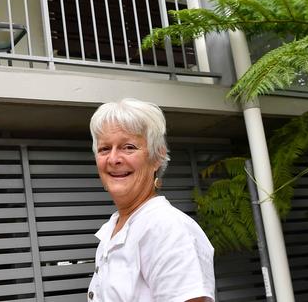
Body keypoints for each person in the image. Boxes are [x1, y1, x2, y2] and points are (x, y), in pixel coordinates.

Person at [87, 98, 215, 302]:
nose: (113, 159)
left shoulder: (166, 228)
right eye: (104, 149)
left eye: (128, 147)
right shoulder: (112, 229)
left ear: (156, 157)